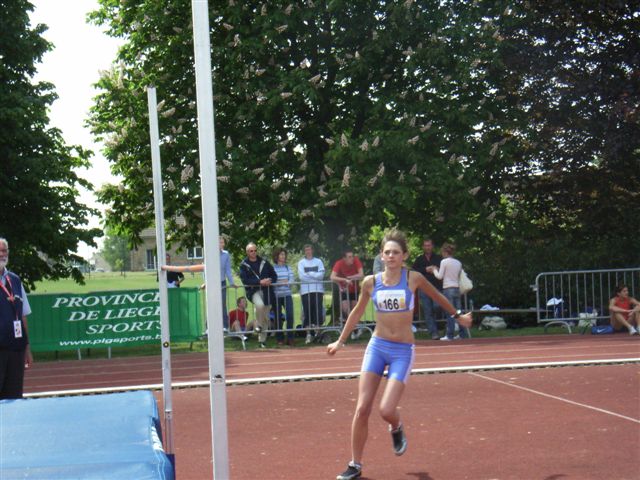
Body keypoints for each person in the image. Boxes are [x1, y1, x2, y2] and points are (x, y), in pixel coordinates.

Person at [327, 230, 472, 480]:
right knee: (362, 408)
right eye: (387, 252)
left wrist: (458, 316)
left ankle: (396, 426)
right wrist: (340, 341)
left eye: (396, 252)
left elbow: (437, 296)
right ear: (381, 256)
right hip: (377, 346)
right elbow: (357, 312)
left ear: (404, 256)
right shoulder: (370, 282)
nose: (391, 256)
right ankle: (355, 464)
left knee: (385, 409)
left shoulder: (413, 278)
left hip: (402, 351)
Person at [0, 238, 33, 399]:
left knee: (14, 398)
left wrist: (26, 347)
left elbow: (23, 315)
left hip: (16, 350)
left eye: (4, 250)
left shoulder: (14, 280)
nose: (2, 254)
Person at [239, 243, 277, 348]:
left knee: (265, 317)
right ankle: (259, 325)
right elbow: (245, 280)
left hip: (267, 292)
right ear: (247, 252)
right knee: (259, 305)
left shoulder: (264, 262)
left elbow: (274, 275)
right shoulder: (244, 265)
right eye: (251, 251)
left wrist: (270, 280)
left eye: (255, 250)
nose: (254, 253)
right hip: (253, 291)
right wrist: (260, 282)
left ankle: (262, 341)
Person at [429, 242, 467, 341]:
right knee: (458, 312)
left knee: (450, 312)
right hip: (456, 288)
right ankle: (462, 334)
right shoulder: (458, 262)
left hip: (448, 288)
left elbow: (439, 276)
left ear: (445, 252)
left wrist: (434, 270)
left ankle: (449, 335)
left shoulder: (444, 262)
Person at [411, 238, 442, 339]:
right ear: (423, 247)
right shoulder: (419, 259)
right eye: (426, 245)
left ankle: (440, 326)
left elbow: (443, 269)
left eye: (429, 245)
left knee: (437, 307)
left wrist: (436, 269)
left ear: (432, 246)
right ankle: (434, 333)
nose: (427, 247)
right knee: (427, 311)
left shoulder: (439, 258)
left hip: (436, 287)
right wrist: (425, 269)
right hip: (423, 288)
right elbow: (413, 271)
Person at [297, 244, 325, 344]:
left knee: (317, 312)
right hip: (305, 291)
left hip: (318, 290)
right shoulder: (301, 263)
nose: (308, 252)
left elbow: (321, 276)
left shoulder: (318, 261)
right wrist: (315, 275)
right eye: (306, 250)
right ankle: (309, 334)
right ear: (304, 252)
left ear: (312, 250)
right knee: (307, 312)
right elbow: (302, 277)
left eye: (309, 250)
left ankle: (318, 334)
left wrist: (310, 273)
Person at [330, 248, 364, 323]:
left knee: (354, 310)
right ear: (344, 258)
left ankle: (355, 328)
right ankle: (354, 328)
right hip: (344, 290)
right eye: (349, 257)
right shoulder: (339, 263)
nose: (352, 258)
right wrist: (344, 280)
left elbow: (361, 275)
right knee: (346, 309)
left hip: (354, 290)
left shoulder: (356, 261)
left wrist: (349, 278)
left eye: (352, 256)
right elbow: (332, 277)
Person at [272, 248, 295, 346]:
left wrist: (285, 282)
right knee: (278, 317)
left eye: (284, 254)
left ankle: (290, 338)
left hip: (287, 294)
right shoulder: (272, 268)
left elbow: (292, 280)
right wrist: (283, 282)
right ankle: (279, 338)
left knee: (290, 315)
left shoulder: (288, 267)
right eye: (281, 254)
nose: (283, 256)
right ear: (276, 256)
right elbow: (273, 282)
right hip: (276, 296)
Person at [219, 236, 236, 330]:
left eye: (223, 242)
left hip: (222, 282)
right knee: (210, 304)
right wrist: (205, 282)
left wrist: (232, 282)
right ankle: (208, 328)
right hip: (211, 283)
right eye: (220, 242)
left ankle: (225, 327)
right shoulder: (209, 253)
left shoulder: (226, 254)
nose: (222, 244)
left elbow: (228, 270)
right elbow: (206, 269)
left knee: (223, 305)